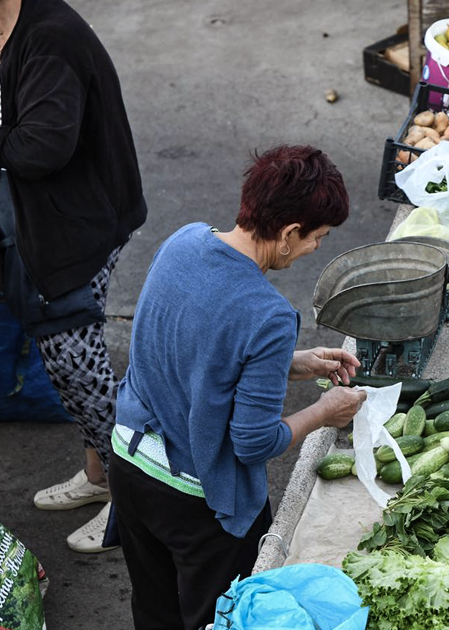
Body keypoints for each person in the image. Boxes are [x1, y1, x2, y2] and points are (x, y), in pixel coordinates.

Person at [109, 145, 367, 630]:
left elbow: (190, 353)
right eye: (317, 238)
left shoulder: (183, 241)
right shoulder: (268, 316)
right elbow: (254, 442)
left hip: (130, 464)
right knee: (219, 620)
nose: (315, 249)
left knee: (155, 613)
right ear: (289, 233)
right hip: (194, 498)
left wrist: (289, 364)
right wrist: (325, 411)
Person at [0, 0, 147, 552]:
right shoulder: (7, 36)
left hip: (78, 226)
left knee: (78, 366)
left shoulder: (50, 40)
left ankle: (138, 503)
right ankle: (100, 477)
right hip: (53, 220)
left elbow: (44, 145)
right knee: (70, 364)